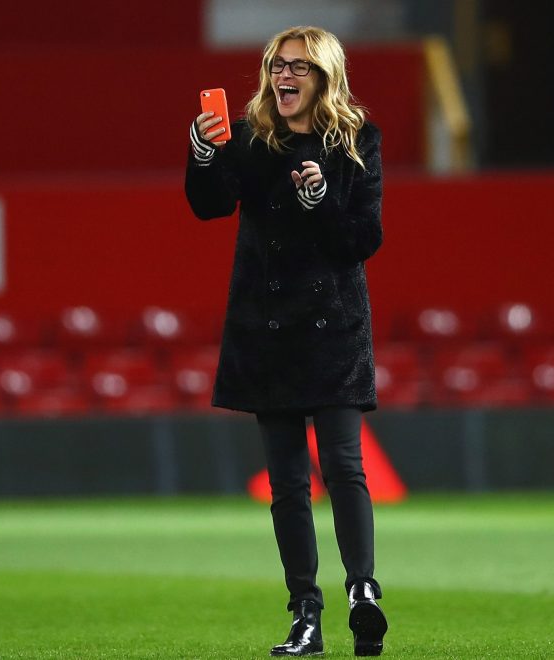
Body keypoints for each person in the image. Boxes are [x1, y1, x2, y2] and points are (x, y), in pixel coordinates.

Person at [185, 25, 387, 657]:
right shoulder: (250, 140)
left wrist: (322, 200)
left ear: (325, 76)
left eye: (299, 67)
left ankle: (362, 592)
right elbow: (209, 205)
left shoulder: (356, 141)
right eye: (277, 66)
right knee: (287, 485)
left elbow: (362, 241)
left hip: (332, 328)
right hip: (267, 329)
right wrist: (202, 150)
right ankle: (305, 612)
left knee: (345, 468)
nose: (284, 76)